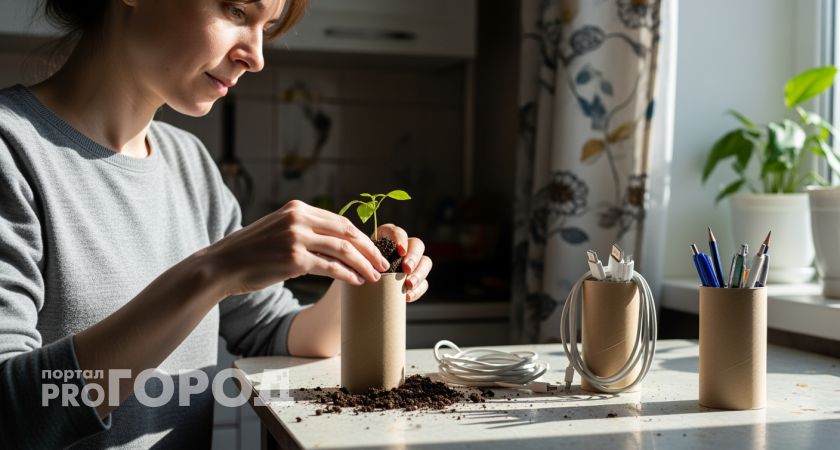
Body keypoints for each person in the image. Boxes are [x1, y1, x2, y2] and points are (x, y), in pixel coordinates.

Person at [0, 0, 433, 448]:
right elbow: (14, 414)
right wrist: (214, 271)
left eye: (266, 27)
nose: (256, 57)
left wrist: (360, 274)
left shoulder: (189, 163)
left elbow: (277, 332)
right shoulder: (10, 152)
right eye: (237, 11)